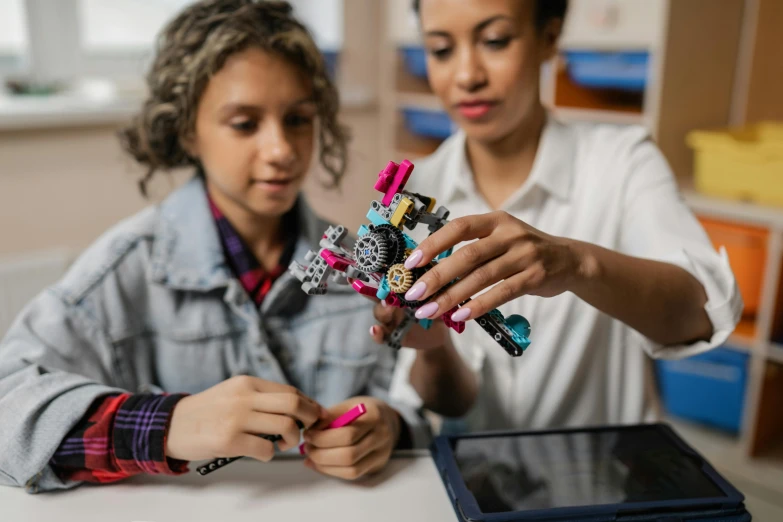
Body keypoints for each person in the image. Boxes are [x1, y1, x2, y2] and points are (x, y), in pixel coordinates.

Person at [0, 0, 427, 494]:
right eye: (245, 123)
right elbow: (7, 408)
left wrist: (392, 428)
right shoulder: (125, 269)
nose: (282, 150)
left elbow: (421, 397)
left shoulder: (363, 265)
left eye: (298, 119)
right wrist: (170, 424)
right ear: (188, 130)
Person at [377, 0, 742, 433]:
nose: (466, 75)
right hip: (474, 484)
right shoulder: (416, 197)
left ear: (549, 38)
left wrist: (576, 264)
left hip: (603, 479)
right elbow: (449, 404)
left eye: (495, 41)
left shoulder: (623, 163)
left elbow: (699, 314)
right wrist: (433, 349)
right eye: (440, 49)